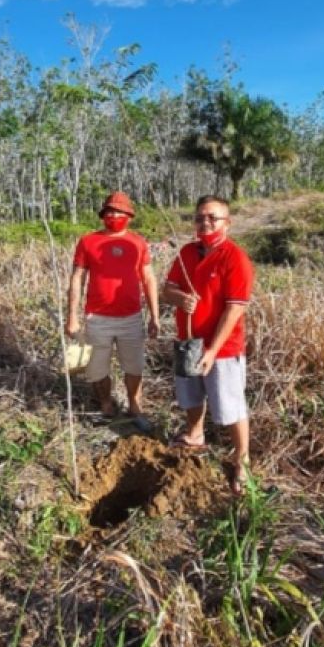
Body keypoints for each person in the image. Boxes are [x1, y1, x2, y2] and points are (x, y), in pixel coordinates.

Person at [162, 195, 254, 495]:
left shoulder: (234, 258)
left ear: (227, 223)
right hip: (188, 341)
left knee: (230, 404)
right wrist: (179, 299)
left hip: (223, 349)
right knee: (190, 394)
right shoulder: (187, 252)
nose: (205, 223)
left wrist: (213, 351)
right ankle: (194, 434)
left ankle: (242, 458)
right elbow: (168, 289)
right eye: (200, 217)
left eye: (213, 218)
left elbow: (235, 308)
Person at [65, 191, 160, 433]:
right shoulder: (88, 241)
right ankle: (106, 405)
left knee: (134, 367)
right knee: (97, 368)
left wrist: (155, 317)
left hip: (131, 318)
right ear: (103, 215)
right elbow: (77, 278)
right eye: (110, 211)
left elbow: (148, 278)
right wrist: (72, 317)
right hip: (97, 318)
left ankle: (135, 408)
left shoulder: (138, 242)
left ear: (129, 215)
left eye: (119, 211)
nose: (114, 215)